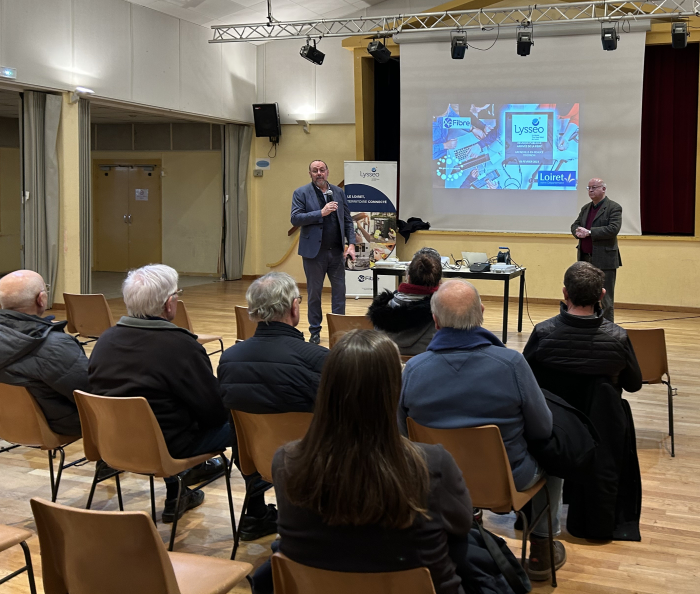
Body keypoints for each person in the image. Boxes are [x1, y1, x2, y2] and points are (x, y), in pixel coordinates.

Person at [253, 330, 473, 594]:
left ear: (327, 387)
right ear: (393, 390)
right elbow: (462, 526)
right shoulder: (433, 464)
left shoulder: (286, 461)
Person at [399, 280, 566, 581]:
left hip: (437, 483)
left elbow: (401, 436)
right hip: (507, 482)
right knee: (555, 457)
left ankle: (467, 520)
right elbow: (543, 428)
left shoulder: (412, 370)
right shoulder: (512, 364)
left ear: (435, 320)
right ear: (482, 313)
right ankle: (541, 547)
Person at [88, 264, 231, 524]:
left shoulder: (105, 340)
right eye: (177, 294)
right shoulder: (181, 346)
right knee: (245, 421)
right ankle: (255, 511)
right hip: (167, 448)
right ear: (168, 304)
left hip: (112, 444)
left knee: (159, 411)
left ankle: (180, 489)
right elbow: (214, 411)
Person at [523, 261, 643, 541]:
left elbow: (527, 383)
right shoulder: (618, 338)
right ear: (602, 295)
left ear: (565, 294)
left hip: (555, 429)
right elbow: (634, 384)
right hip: (603, 433)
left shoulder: (543, 333)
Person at [0, 270, 86, 436]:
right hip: (52, 425)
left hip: (5, 422)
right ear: (41, 299)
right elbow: (90, 394)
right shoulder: (55, 346)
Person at [291, 160, 355, 345]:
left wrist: (351, 244)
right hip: (314, 254)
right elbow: (295, 218)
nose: (319, 173)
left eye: (322, 170)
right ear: (310, 173)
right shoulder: (301, 193)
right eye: (315, 170)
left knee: (339, 293)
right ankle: (315, 331)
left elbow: (348, 220)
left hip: (336, 252)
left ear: (327, 172)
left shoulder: (338, 192)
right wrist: (321, 212)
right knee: (314, 294)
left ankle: (339, 332)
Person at [367, 247, 442, 356]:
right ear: (439, 282)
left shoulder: (382, 309)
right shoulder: (442, 312)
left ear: (408, 277)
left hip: (389, 368)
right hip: (425, 369)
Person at [571, 178, 622, 321]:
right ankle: (589, 325)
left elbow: (613, 229)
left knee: (606, 298)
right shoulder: (585, 208)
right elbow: (575, 225)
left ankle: (607, 329)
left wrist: (590, 232)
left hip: (605, 259)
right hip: (585, 259)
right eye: (589, 188)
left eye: (594, 187)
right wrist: (577, 231)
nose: (591, 190)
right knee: (587, 295)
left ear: (603, 189)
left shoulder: (613, 207)